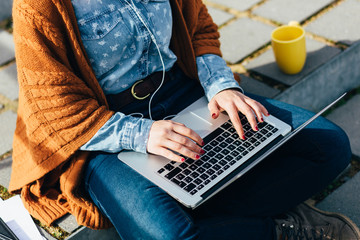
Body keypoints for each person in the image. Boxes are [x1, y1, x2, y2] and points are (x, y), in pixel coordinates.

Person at [9, 0, 360, 239]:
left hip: (182, 88)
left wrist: (221, 86)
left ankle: (206, 209)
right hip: (102, 126)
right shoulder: (38, 6)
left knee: (329, 146)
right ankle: (278, 230)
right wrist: (141, 134)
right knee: (170, 236)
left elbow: (198, 28)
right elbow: (51, 101)